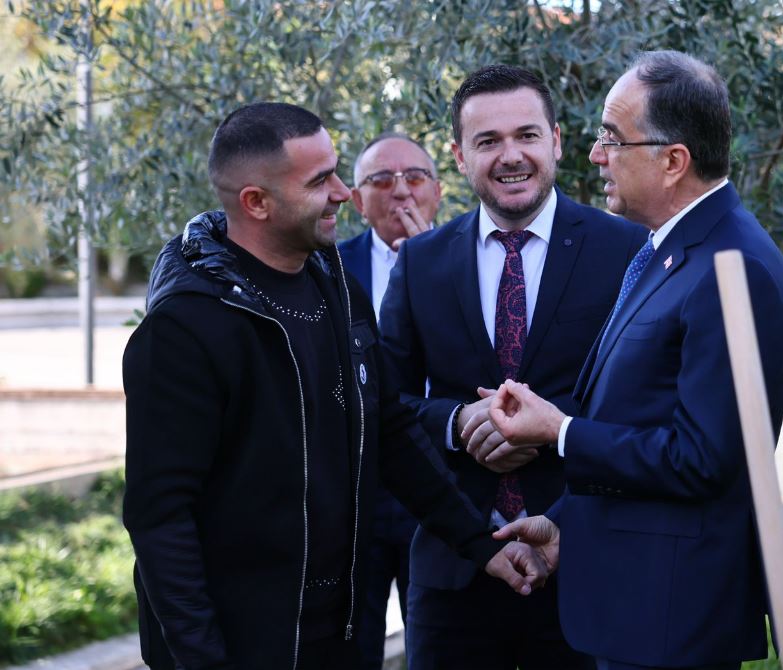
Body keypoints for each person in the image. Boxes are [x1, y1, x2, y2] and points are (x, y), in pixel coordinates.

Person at [121, 102, 545, 670]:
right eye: (319, 181)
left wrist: (478, 543)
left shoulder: (337, 287)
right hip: (241, 647)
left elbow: (390, 431)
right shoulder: (185, 328)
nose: (345, 193)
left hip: (336, 635)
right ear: (256, 202)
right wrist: (203, 659)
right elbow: (159, 516)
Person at [485, 51, 783, 670]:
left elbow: (703, 459)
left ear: (673, 160)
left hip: (672, 619)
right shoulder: (669, 251)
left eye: (612, 139)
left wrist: (561, 431)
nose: (595, 156)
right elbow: (641, 415)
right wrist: (565, 523)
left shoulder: (733, 267)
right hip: (638, 609)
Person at [379, 65, 644, 670]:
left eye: (526, 135)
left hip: (586, 560)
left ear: (556, 141)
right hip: (453, 570)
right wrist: (458, 423)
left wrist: (546, 427)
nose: (511, 156)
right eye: (488, 141)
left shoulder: (626, 249)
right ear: (459, 156)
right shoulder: (420, 263)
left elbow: (638, 398)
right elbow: (384, 406)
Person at [339, 132, 442, 668]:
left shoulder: (467, 262)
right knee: (352, 645)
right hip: (353, 493)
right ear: (357, 200)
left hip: (438, 485)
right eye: (381, 180)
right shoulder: (327, 268)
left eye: (415, 177)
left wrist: (431, 265)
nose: (401, 191)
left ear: (438, 190)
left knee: (436, 644)